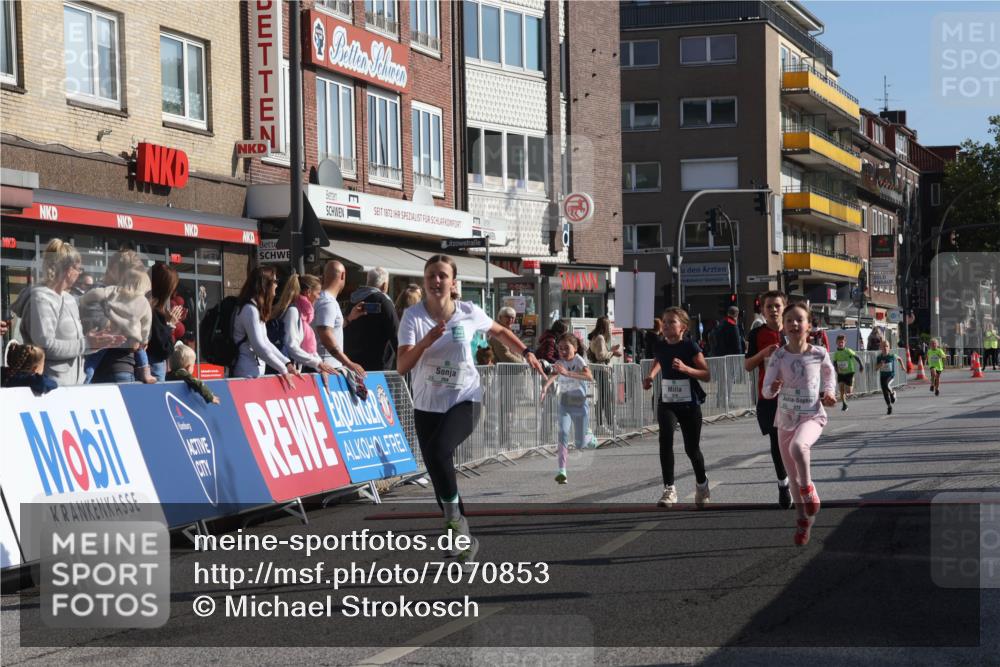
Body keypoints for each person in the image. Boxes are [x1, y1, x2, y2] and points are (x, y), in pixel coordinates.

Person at [397, 255, 545, 564]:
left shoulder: (468, 312)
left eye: (442, 276)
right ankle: (462, 540)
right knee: (440, 472)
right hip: (426, 404)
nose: (436, 281)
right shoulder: (412, 317)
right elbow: (402, 366)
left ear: (453, 283)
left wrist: (528, 352)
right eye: (430, 276)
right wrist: (425, 342)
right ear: (425, 282)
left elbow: (500, 332)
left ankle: (454, 523)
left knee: (439, 452)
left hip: (466, 398)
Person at [761, 302, 837, 546]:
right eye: (789, 320)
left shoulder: (819, 353)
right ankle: (803, 519)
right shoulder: (778, 356)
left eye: (799, 320)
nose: (794, 324)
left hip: (812, 415)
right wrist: (771, 389)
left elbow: (829, 375)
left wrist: (829, 392)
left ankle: (809, 487)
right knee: (791, 476)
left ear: (809, 325)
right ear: (783, 327)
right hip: (785, 418)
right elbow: (766, 389)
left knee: (798, 448)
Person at [10, 239, 120, 386]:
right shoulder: (40, 299)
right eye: (78, 269)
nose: (79, 273)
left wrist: (94, 342)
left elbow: (76, 345)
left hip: (73, 387)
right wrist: (86, 343)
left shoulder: (68, 299)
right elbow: (45, 346)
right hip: (48, 387)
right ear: (67, 269)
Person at [642, 307, 712, 508]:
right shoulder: (660, 345)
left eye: (671, 322)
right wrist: (651, 376)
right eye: (664, 322)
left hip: (689, 404)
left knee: (692, 449)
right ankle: (669, 489)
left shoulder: (690, 346)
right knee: (665, 440)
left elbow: (706, 374)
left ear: (683, 327)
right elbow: (659, 360)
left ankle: (702, 484)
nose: (665, 325)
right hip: (667, 401)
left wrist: (686, 368)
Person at [744, 290, 792, 509]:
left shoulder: (795, 330)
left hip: (794, 396)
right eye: (768, 306)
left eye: (777, 306)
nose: (773, 310)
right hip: (768, 396)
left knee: (794, 443)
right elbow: (748, 366)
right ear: (762, 310)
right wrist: (762, 353)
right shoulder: (756, 335)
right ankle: (783, 484)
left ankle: (798, 481)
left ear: (785, 307)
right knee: (776, 441)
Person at [80, 267, 153, 384]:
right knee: (140, 349)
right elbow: (146, 324)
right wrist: (144, 339)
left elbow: (95, 296)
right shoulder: (143, 301)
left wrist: (84, 299)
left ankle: (85, 380)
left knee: (93, 359)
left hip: (107, 334)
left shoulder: (112, 291)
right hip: (129, 342)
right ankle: (145, 371)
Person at [231, 266, 302, 383]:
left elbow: (266, 342)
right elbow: (259, 347)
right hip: (246, 374)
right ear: (265, 285)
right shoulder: (250, 310)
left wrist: (287, 363)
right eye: (275, 281)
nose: (277, 285)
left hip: (254, 372)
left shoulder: (255, 308)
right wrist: (283, 369)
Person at [540, 333, 593, 485]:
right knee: (562, 433)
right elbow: (554, 376)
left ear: (575, 348)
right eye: (560, 348)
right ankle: (562, 471)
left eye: (566, 348)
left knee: (579, 444)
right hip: (565, 404)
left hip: (579, 405)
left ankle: (589, 437)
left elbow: (589, 376)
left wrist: (568, 373)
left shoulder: (578, 360)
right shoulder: (559, 362)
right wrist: (545, 388)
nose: (563, 351)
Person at [314, 260, 366, 378]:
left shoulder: (324, 299)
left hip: (326, 367)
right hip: (327, 369)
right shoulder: (327, 302)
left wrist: (349, 318)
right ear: (343, 275)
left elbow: (328, 328)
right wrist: (348, 363)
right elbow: (325, 335)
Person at [281, 274, 338, 375]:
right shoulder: (293, 311)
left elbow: (309, 350)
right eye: (318, 293)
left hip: (294, 371)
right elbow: (292, 346)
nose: (319, 297)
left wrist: (321, 367)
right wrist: (318, 363)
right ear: (308, 292)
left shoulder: (302, 315)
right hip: (285, 371)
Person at [344, 267, 400, 371]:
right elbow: (395, 332)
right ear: (385, 285)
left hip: (353, 363)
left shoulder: (353, 300)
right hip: (378, 364)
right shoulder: (384, 301)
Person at [144, 263, 185, 382]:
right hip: (153, 368)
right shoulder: (152, 310)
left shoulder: (146, 307)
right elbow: (164, 349)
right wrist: (170, 325)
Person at [831, 334, 864, 411]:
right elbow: (835, 362)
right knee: (841, 389)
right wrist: (836, 369)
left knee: (849, 391)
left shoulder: (848, 351)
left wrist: (861, 365)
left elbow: (857, 357)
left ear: (845, 342)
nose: (840, 344)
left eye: (842, 342)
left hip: (849, 372)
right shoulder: (836, 353)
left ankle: (852, 380)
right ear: (836, 343)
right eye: (839, 342)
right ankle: (844, 404)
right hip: (841, 373)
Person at [875, 339, 903, 415]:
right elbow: (876, 368)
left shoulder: (892, 356)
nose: (885, 348)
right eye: (883, 346)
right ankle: (889, 407)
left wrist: (902, 366)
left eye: (887, 346)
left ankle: (892, 393)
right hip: (882, 376)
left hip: (890, 375)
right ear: (881, 347)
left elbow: (900, 358)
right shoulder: (879, 357)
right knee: (884, 392)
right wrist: (880, 365)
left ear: (889, 347)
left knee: (887, 385)